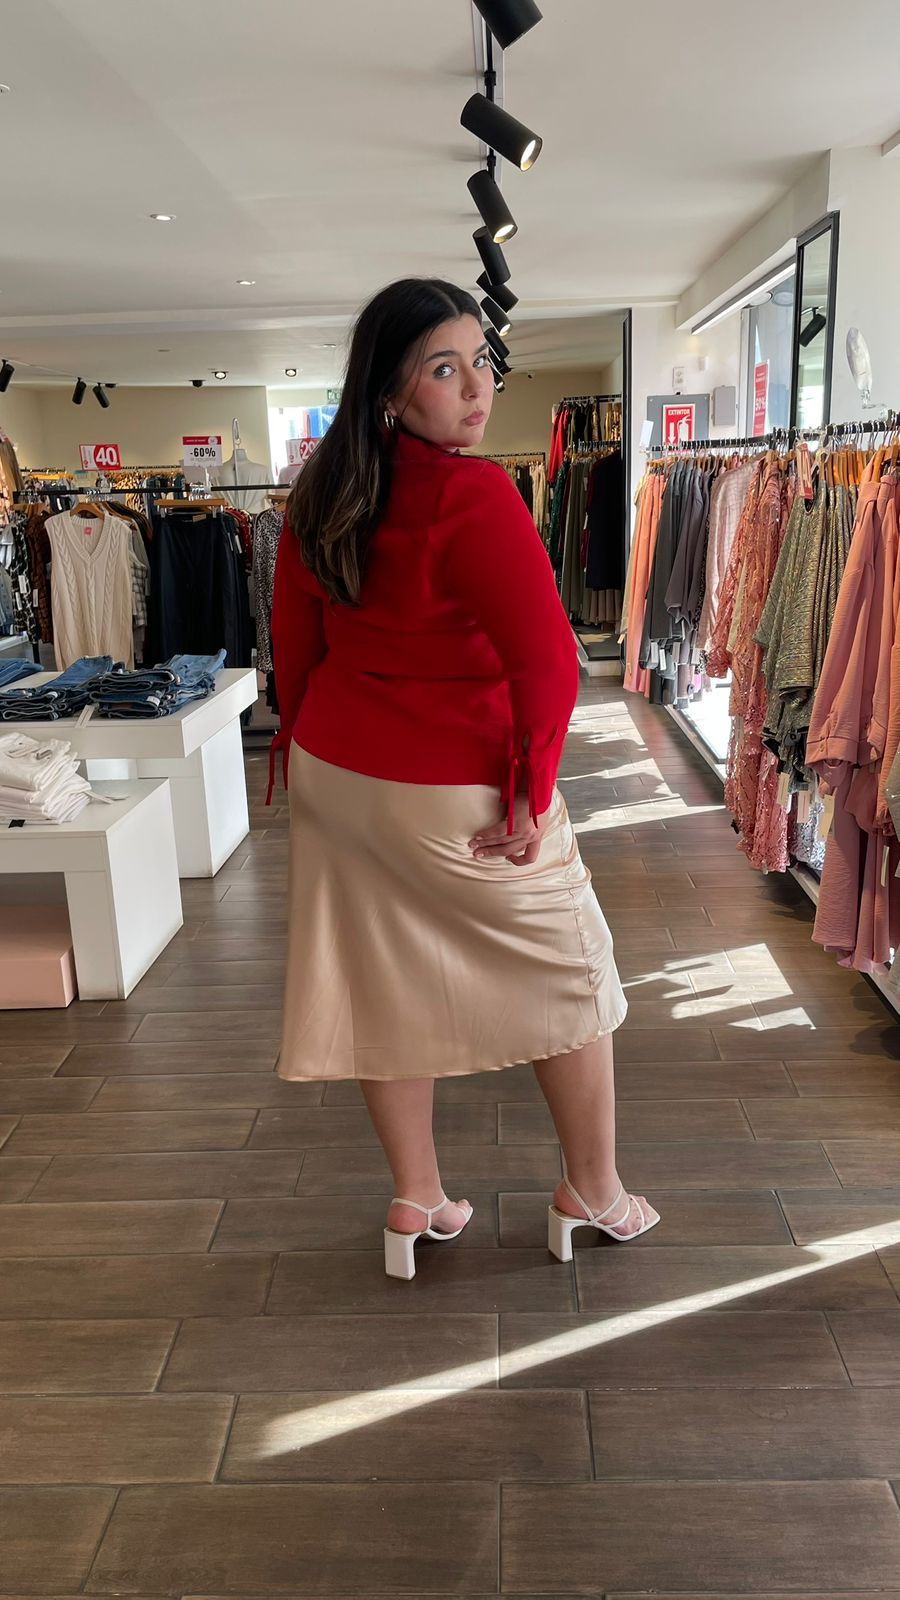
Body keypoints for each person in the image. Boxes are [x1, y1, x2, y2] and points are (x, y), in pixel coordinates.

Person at [270, 278, 659, 1279]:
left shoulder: (319, 492)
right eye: (445, 370)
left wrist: (312, 756)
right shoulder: (474, 493)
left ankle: (418, 1197)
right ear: (390, 391)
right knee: (573, 970)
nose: (477, 389)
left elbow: (295, 653)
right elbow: (552, 663)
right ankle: (595, 1190)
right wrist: (532, 792)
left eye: (481, 362)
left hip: (337, 772)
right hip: (450, 781)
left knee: (382, 980)